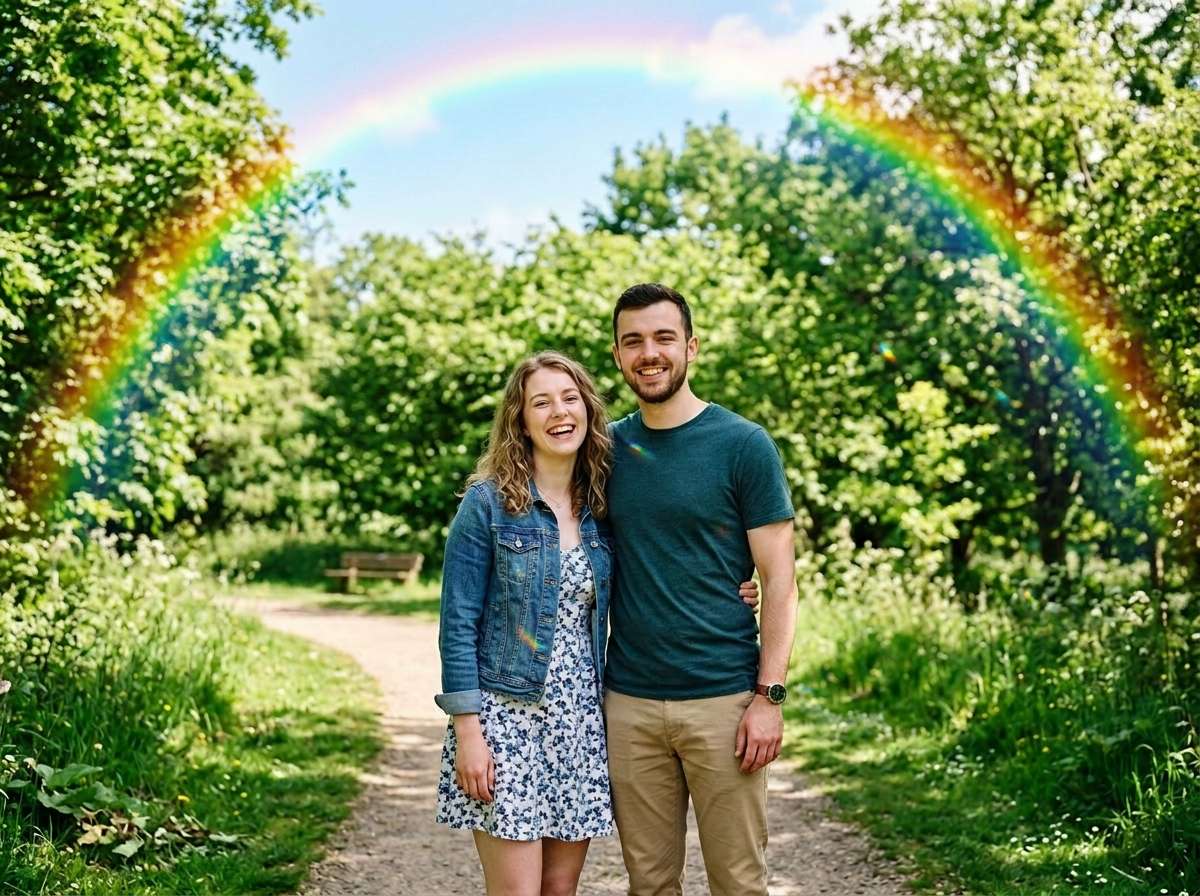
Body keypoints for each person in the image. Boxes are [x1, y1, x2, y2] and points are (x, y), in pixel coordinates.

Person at [433, 350, 759, 896]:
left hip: (580, 721)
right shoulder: (487, 505)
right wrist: (468, 731)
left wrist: (732, 590)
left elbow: (661, 561)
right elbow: (457, 623)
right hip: (506, 721)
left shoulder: (599, 505)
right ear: (520, 418)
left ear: (587, 408)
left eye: (569, 398)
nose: (559, 412)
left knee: (560, 891)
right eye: (541, 402)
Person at [603, 283, 799, 896]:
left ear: (691, 347)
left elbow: (780, 581)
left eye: (663, 338)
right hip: (629, 702)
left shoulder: (743, 444)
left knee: (739, 882)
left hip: (724, 700)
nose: (649, 353)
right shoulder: (603, 449)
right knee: (649, 883)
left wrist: (769, 697)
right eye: (633, 341)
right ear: (617, 355)